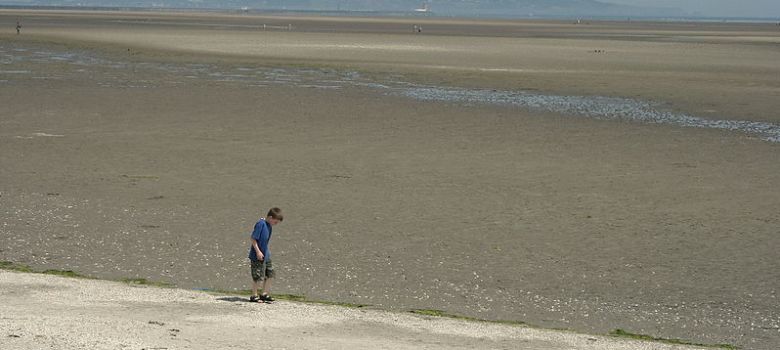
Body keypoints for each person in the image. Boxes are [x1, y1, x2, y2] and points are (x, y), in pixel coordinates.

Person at [248, 207, 283, 303]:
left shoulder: (269, 226)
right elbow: (253, 239)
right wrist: (258, 252)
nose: (275, 224)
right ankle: (254, 295)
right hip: (257, 254)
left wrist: (266, 252)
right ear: (270, 217)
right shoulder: (261, 224)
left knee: (270, 274)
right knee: (257, 276)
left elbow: (265, 241)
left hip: (265, 254)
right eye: (275, 222)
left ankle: (264, 294)